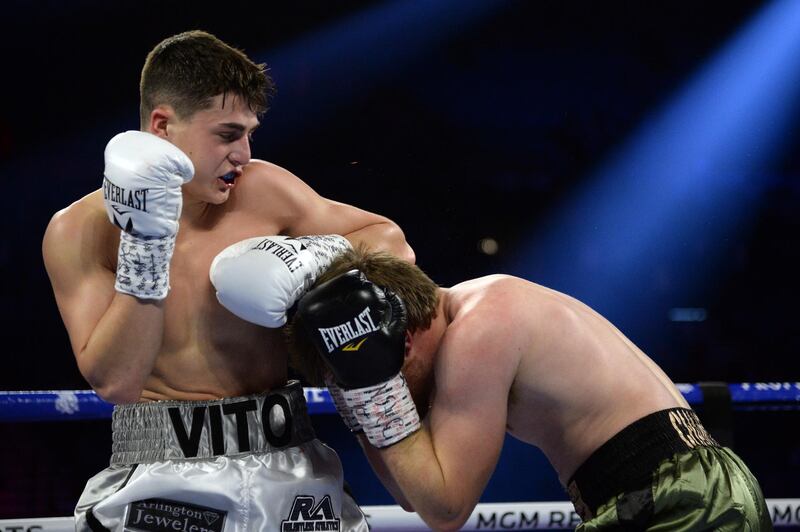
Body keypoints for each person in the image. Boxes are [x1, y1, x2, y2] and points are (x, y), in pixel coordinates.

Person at [42, 30, 413, 531]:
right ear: (162, 126)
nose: (243, 152)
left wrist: (310, 256)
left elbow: (391, 241)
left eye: (248, 134)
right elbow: (116, 380)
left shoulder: (264, 190)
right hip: (162, 480)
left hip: (291, 463)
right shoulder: (80, 230)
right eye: (226, 134)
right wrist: (146, 249)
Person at [285, 247, 773, 532]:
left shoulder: (482, 329)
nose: (388, 395)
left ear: (404, 341)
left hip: (678, 496)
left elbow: (446, 508)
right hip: (675, 487)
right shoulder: (475, 311)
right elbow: (412, 493)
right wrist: (358, 387)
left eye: (378, 377)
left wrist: (372, 384)